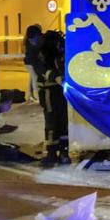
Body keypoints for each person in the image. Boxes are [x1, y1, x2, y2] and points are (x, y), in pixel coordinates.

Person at [37, 30, 70, 167]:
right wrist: (55, 77)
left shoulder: (56, 54)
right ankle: (55, 153)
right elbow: (45, 70)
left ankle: (59, 153)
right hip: (51, 92)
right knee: (55, 122)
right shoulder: (47, 55)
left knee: (59, 123)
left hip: (56, 92)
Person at [23, 24, 43, 104]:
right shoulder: (32, 41)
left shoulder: (27, 39)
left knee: (32, 79)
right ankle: (38, 97)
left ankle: (30, 96)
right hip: (30, 63)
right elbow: (33, 55)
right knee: (35, 79)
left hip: (28, 62)